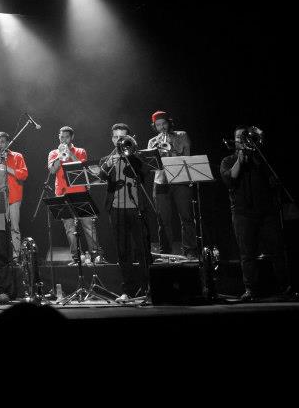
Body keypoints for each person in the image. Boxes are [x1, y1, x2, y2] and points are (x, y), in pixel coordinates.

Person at [219, 126, 289, 301]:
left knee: (277, 251)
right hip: (242, 212)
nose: (242, 140)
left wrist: (255, 156)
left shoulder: (261, 159)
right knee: (247, 254)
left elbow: (272, 180)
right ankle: (250, 290)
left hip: (267, 211)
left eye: (245, 137)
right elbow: (231, 179)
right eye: (239, 137)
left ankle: (285, 287)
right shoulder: (228, 160)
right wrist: (240, 159)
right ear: (234, 140)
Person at [99, 124, 152, 302]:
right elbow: (101, 176)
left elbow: (145, 172)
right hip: (116, 209)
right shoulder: (108, 159)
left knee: (143, 250)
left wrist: (132, 154)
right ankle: (128, 291)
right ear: (112, 139)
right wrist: (109, 163)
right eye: (115, 137)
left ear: (129, 139)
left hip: (136, 208)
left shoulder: (138, 157)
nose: (118, 141)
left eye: (122, 137)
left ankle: (148, 288)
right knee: (123, 251)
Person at [47, 126, 100, 265]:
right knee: (70, 229)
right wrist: (60, 155)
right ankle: (76, 258)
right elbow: (52, 171)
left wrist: (70, 153)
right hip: (62, 193)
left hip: (80, 192)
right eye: (61, 137)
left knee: (89, 226)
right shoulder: (53, 153)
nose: (63, 139)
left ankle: (96, 256)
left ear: (71, 138)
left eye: (66, 137)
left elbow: (82, 167)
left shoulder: (80, 151)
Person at [147, 110, 195, 259]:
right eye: (158, 125)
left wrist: (171, 149)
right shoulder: (152, 141)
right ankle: (165, 253)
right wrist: (157, 150)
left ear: (169, 123)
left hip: (180, 180)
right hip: (161, 181)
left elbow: (187, 157)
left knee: (186, 217)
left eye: (164, 124)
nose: (161, 127)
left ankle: (190, 251)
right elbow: (151, 165)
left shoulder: (182, 135)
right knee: (163, 220)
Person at [0, 131, 29, 260]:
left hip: (14, 196)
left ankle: (16, 256)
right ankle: (1, 256)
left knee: (14, 227)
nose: (0, 144)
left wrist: (6, 167)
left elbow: (24, 175)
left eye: (3, 142)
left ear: (8, 143)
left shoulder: (17, 156)